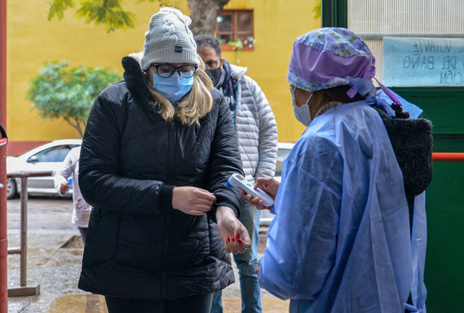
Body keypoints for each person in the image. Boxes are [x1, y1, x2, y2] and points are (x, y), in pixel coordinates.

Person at [244, 28, 431, 313]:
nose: (293, 93)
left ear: (311, 88)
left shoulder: (320, 143)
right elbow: (363, 208)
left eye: (294, 84)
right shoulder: (380, 123)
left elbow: (298, 272)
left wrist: (267, 269)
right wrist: (288, 195)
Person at [77, 7, 251, 313]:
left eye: (186, 69)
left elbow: (226, 168)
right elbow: (94, 181)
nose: (178, 76)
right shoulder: (113, 103)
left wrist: (226, 211)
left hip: (195, 261)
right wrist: (166, 196)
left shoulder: (214, 104)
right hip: (126, 265)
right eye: (166, 69)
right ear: (146, 68)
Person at [194, 35, 278, 313]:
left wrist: (263, 177)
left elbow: (268, 130)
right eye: (201, 64)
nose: (207, 69)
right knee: (215, 261)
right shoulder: (193, 92)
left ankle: (252, 310)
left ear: (222, 60)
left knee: (248, 258)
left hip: (247, 192)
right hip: (211, 193)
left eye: (212, 63)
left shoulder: (247, 87)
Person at [53, 146, 91, 244]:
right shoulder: (76, 153)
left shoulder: (109, 150)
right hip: (85, 214)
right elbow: (60, 174)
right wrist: (61, 184)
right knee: (90, 252)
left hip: (108, 214)